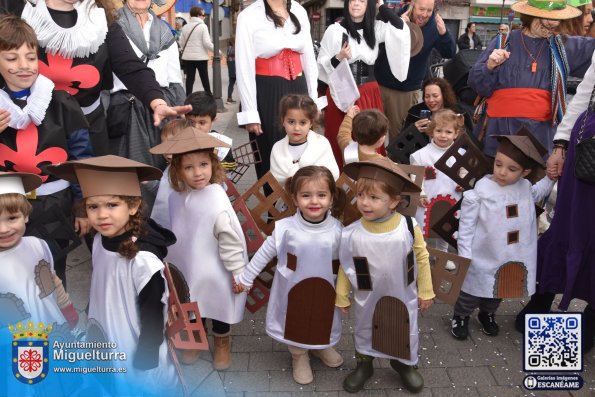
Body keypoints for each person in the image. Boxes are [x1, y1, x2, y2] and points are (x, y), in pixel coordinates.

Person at [47, 155, 179, 393]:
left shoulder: (142, 260)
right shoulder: (99, 240)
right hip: (104, 330)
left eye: (112, 205)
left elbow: (153, 311)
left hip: (135, 345)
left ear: (133, 205)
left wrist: (147, 355)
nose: (102, 215)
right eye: (93, 206)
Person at [20, 0, 191, 156]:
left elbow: (130, 66)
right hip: (31, 128)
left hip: (89, 129)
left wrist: (157, 102)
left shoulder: (100, 18)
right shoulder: (22, 11)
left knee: (91, 186)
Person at [0, 15, 93, 287]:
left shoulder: (61, 102)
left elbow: (81, 158)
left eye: (30, 57)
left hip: (56, 209)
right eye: (11, 58)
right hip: (6, 210)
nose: (23, 66)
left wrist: (82, 207)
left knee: (52, 279)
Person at [234, 166, 344, 385]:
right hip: (293, 288)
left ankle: (320, 346)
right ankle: (299, 355)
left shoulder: (338, 230)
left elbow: (348, 263)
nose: (314, 201)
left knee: (322, 318)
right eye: (306, 195)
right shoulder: (285, 228)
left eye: (321, 195)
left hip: (325, 288)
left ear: (331, 199)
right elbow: (264, 253)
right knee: (296, 320)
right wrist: (246, 278)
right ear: (295, 198)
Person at [516, 52, 595, 351]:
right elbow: (585, 92)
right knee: (569, 227)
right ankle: (542, 299)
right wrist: (560, 144)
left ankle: (590, 320)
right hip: (590, 149)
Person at [150, 128, 247, 370]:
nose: (198, 173)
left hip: (215, 266)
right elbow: (168, 223)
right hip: (187, 264)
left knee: (218, 303)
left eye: (203, 164)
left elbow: (230, 239)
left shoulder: (216, 197)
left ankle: (222, 340)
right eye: (189, 167)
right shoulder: (176, 196)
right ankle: (197, 338)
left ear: (213, 165)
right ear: (178, 171)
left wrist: (237, 271)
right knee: (193, 302)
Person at [336, 157, 434, 394]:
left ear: (394, 202)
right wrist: (341, 294)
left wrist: (426, 290)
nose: (364, 203)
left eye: (374, 198)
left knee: (402, 328)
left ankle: (403, 364)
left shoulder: (409, 227)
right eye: (360, 196)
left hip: (402, 294)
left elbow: (422, 258)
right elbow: (345, 265)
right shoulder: (351, 233)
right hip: (367, 296)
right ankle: (364, 364)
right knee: (365, 328)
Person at [451, 132, 555, 340]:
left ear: (525, 172)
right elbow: (467, 226)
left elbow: (537, 193)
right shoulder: (481, 191)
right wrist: (465, 254)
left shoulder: (524, 187)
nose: (502, 172)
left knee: (501, 286)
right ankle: (461, 316)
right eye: (498, 164)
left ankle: (487, 313)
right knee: (473, 288)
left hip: (512, 254)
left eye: (511, 169)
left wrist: (550, 178)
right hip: (483, 253)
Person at [468, 0, 595, 156]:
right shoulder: (503, 41)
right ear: (533, 15)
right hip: (497, 135)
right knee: (491, 179)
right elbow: (477, 85)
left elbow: (591, 50)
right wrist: (490, 65)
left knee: (536, 179)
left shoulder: (564, 46)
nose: (555, 23)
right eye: (550, 18)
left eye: (558, 18)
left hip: (540, 139)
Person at [109, 0, 185, 212]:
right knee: (131, 172)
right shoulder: (112, 25)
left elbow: (174, 77)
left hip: (161, 108)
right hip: (126, 108)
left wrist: (176, 114)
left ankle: (161, 221)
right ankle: (132, 226)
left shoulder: (164, 31)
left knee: (162, 168)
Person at [317, 0, 411, 168]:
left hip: (368, 93)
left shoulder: (376, 28)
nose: (355, 4)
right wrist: (338, 57)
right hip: (341, 92)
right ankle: (339, 186)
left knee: (370, 137)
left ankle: (368, 186)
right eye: (352, 0)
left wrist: (381, 6)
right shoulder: (334, 30)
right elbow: (322, 63)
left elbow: (399, 27)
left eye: (361, 0)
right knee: (338, 138)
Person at [236, 0, 320, 181]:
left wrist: (314, 101)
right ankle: (273, 207)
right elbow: (244, 66)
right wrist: (250, 112)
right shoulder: (248, 16)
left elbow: (309, 60)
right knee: (270, 155)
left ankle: (301, 205)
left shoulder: (299, 10)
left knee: (303, 151)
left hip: (299, 87)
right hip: (267, 90)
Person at [0, 171, 78, 329]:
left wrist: (67, 309)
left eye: (12, 218)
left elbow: (52, 279)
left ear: (26, 215)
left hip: (53, 326)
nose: (3, 229)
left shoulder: (38, 245)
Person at [375, 0, 456, 141]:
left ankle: (396, 163)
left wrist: (444, 34)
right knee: (374, 132)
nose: (424, 14)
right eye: (421, 9)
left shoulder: (435, 25)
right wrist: (396, 25)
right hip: (379, 84)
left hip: (405, 91)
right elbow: (375, 39)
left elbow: (449, 52)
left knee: (399, 137)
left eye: (429, 10)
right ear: (413, 4)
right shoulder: (396, 14)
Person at [409, 109, 464, 270]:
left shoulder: (460, 154)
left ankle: (443, 255)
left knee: (445, 229)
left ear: (455, 134)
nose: (443, 135)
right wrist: (421, 193)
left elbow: (465, 173)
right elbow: (416, 177)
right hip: (428, 198)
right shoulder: (421, 155)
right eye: (439, 131)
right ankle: (421, 255)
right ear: (432, 131)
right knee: (423, 227)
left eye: (448, 132)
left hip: (450, 197)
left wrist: (464, 183)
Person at [270, 95, 339, 185]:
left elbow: (333, 174)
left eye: (303, 123)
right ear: (283, 121)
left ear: (311, 123)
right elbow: (274, 179)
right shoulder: (277, 148)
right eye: (291, 122)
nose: (296, 128)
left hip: (316, 197)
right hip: (286, 197)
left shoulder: (322, 144)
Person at [150, 118, 192, 229]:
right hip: (165, 224)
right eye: (165, 145)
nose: (167, 151)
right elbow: (164, 190)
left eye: (173, 145)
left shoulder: (189, 172)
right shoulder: (169, 168)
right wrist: (149, 183)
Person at [184, 91, 237, 172]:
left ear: (213, 120)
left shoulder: (221, 144)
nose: (196, 127)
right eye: (191, 122)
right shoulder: (182, 140)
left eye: (202, 123)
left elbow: (230, 167)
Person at [402, 77, 474, 136]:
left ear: (444, 95)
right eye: (427, 96)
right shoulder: (415, 112)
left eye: (435, 96)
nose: (431, 100)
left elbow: (470, 141)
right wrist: (411, 131)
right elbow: (399, 145)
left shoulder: (459, 113)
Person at [179, 6, 213, 95]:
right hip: (201, 57)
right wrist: (218, 52)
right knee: (204, 78)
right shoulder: (203, 26)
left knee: (190, 79)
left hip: (188, 58)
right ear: (198, 15)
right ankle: (209, 96)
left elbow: (181, 43)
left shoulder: (185, 27)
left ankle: (188, 97)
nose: (204, 16)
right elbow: (207, 43)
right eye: (203, 15)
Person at [226, 36, 236, 103]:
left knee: (231, 83)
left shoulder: (228, 49)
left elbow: (227, 60)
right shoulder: (234, 49)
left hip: (230, 67)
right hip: (234, 68)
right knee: (232, 83)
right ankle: (229, 98)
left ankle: (229, 97)